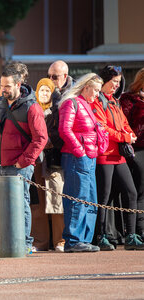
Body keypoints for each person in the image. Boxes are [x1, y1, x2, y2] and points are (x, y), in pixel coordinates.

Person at [0, 65, 48, 256]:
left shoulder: (32, 107)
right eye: (2, 85)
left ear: (18, 84)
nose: (4, 89)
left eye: (8, 86)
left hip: (19, 167)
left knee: (22, 204)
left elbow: (41, 138)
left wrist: (24, 161)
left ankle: (24, 242)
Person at [92, 66, 143, 250]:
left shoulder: (114, 101)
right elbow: (103, 128)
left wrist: (129, 135)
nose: (116, 85)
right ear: (104, 82)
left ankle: (131, 236)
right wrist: (125, 137)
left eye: (118, 82)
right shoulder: (97, 102)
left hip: (118, 156)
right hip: (104, 155)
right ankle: (101, 236)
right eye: (113, 82)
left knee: (131, 192)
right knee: (103, 197)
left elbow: (124, 124)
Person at [58, 73, 106, 252]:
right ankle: (73, 240)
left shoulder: (86, 104)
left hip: (88, 157)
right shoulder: (72, 103)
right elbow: (64, 130)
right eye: (95, 90)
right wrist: (80, 151)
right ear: (86, 87)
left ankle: (84, 238)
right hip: (77, 157)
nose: (97, 95)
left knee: (90, 199)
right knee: (78, 198)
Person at [30, 78, 65, 252]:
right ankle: (40, 241)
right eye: (41, 90)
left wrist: (51, 140)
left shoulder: (58, 111)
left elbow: (63, 133)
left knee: (56, 199)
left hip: (53, 161)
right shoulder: (32, 110)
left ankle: (60, 240)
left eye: (47, 90)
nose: (44, 93)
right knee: (38, 203)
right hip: (36, 161)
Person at [120, 68, 144, 240]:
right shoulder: (129, 99)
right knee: (140, 190)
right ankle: (139, 229)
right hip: (137, 149)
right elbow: (125, 124)